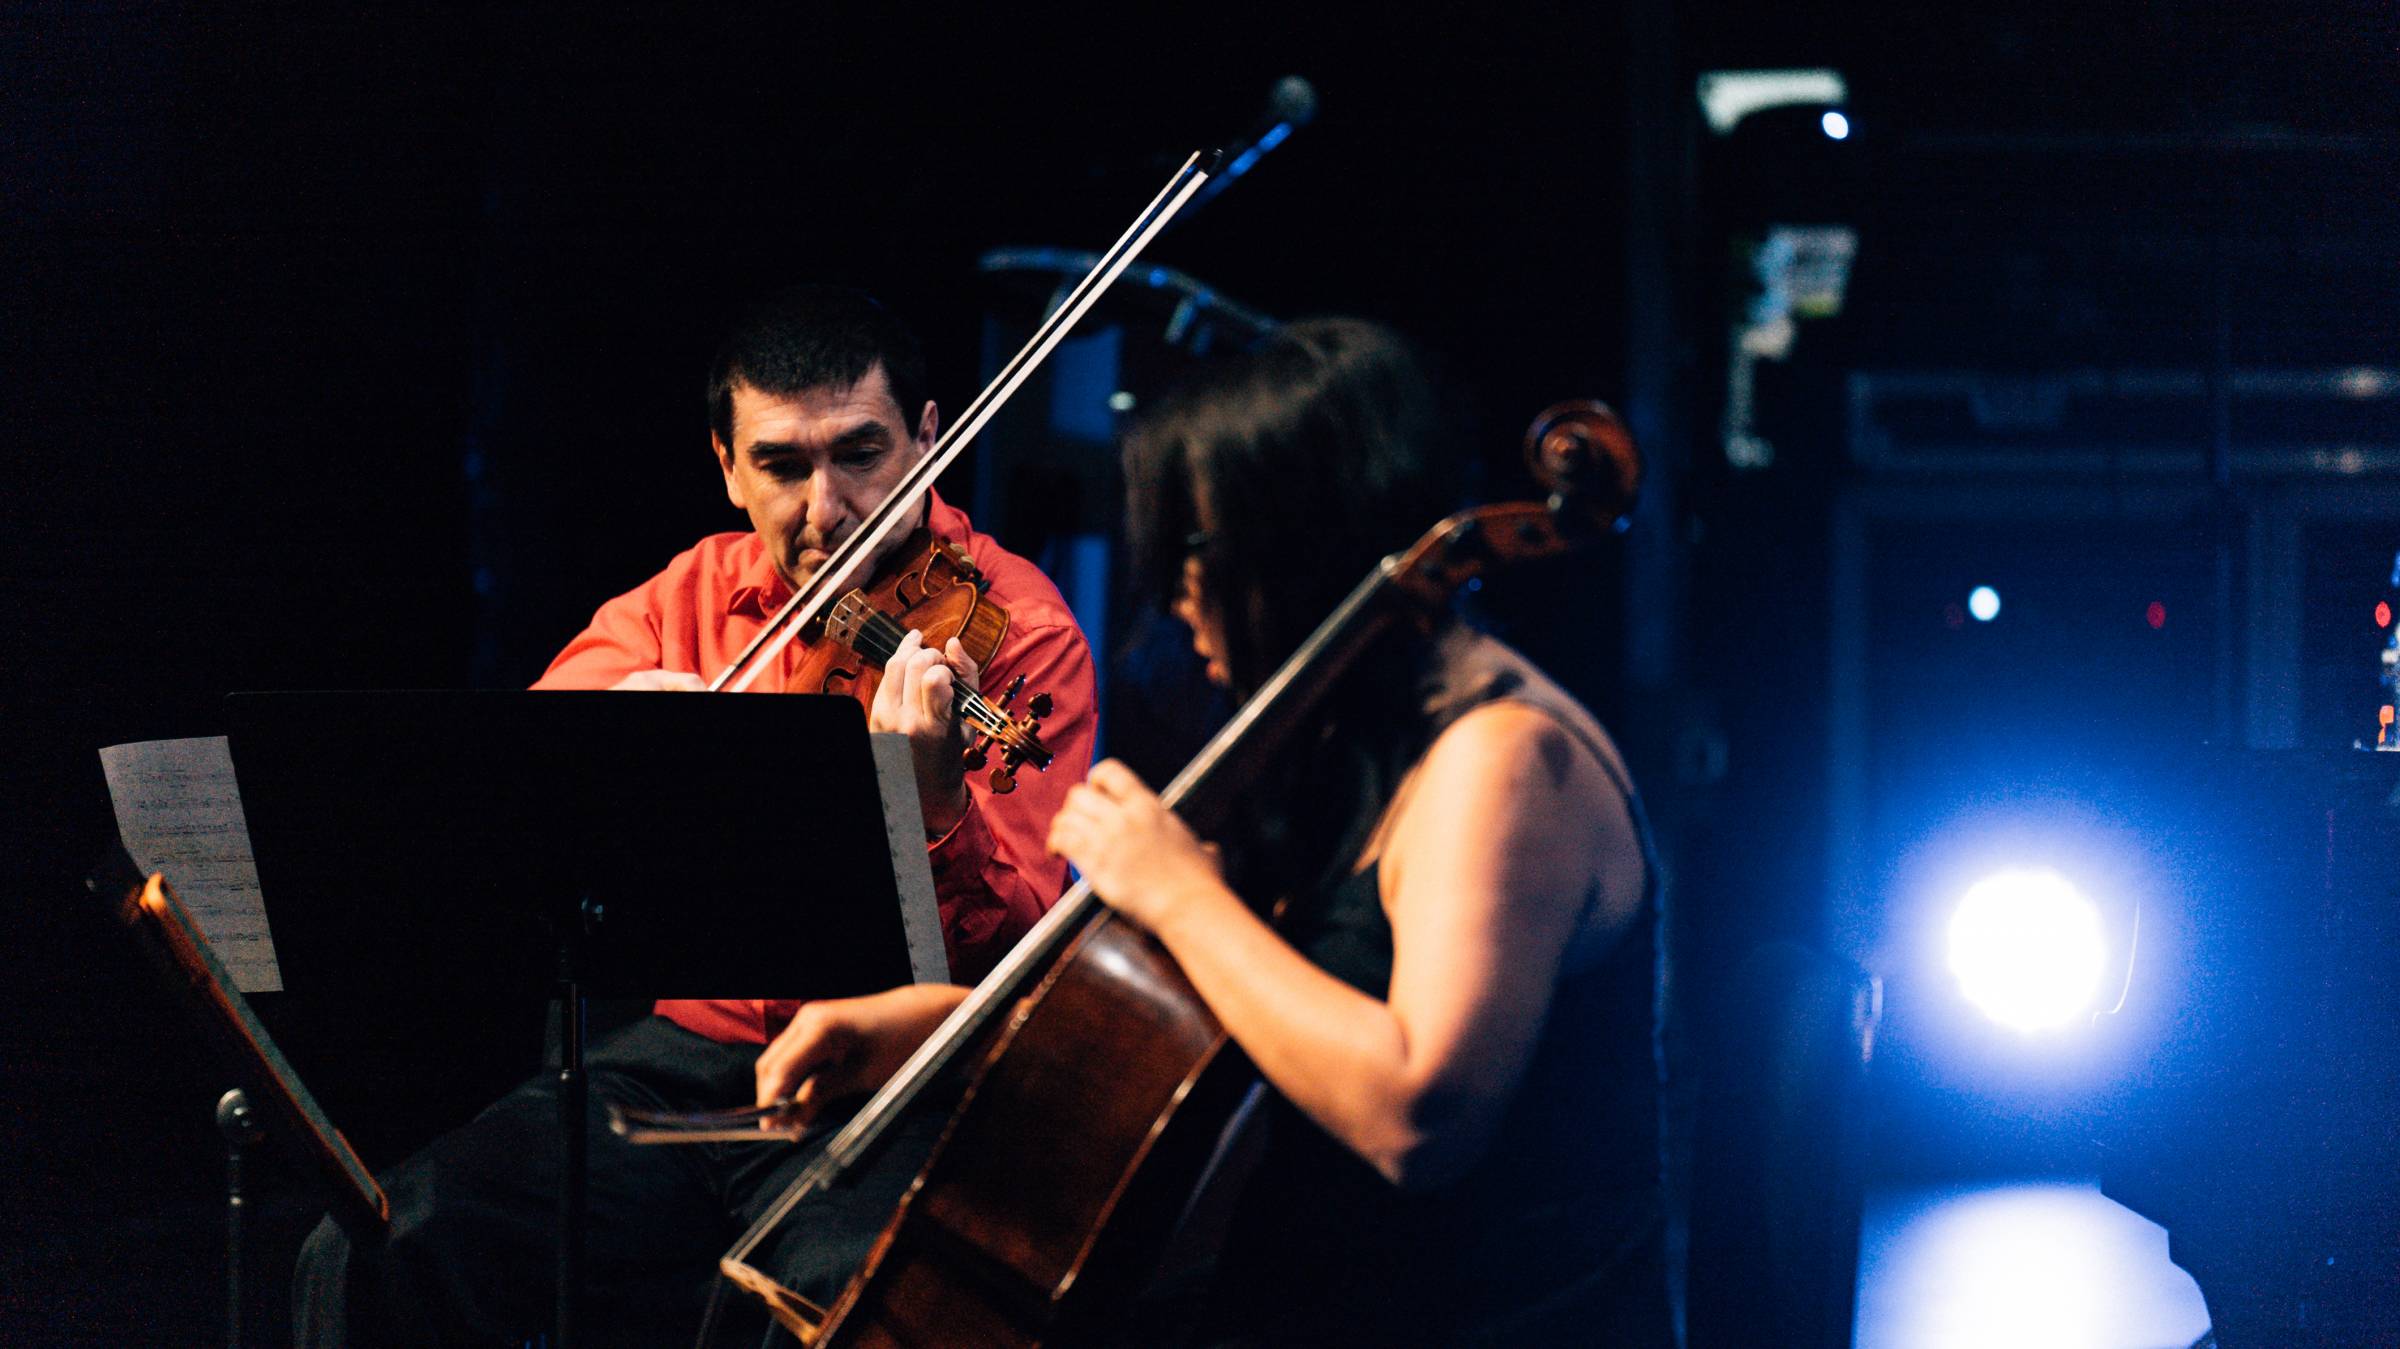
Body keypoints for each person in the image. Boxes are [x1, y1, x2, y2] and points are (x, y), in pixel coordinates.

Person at [752, 318, 1674, 1345]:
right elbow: (1196, 1019)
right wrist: (934, 1029)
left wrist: (1179, 890)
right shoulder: (1350, 742)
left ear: (1296, 546)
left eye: (1200, 548)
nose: (1180, 592)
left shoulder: (1504, 761)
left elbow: (1420, 1116)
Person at [293, 285, 1097, 1346]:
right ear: (726, 464)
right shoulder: (692, 592)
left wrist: (931, 802)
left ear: (930, 438)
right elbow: (532, 758)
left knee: (835, 1304)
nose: (825, 510)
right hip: (687, 1062)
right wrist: (630, 724)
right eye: (782, 466)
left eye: (861, 453)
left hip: (895, 1083)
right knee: (375, 1240)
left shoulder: (1018, 631)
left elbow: (1007, 969)